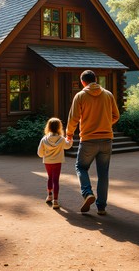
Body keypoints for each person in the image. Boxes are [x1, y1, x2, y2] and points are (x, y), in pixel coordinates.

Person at [66, 70, 120, 215]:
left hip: (88, 140)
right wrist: (107, 123)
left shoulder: (81, 96)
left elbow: (73, 118)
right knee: (103, 174)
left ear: (82, 82)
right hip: (107, 139)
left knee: (81, 167)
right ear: (95, 80)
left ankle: (87, 193)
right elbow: (116, 115)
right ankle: (101, 207)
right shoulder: (108, 95)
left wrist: (69, 134)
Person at [37, 117, 73, 209]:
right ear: (59, 127)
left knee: (50, 177)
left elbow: (40, 153)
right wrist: (70, 139)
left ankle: (49, 196)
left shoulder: (44, 139)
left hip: (48, 161)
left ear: (48, 127)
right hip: (57, 161)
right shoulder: (61, 139)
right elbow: (67, 146)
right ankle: (56, 200)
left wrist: (45, 154)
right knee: (56, 180)